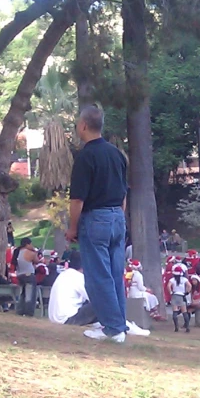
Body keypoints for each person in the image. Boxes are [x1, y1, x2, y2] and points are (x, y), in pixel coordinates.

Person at [66, 106, 129, 343]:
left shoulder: (85, 156)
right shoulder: (117, 155)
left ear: (83, 125)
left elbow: (78, 198)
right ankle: (118, 324)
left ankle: (113, 328)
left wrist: (73, 228)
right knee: (114, 274)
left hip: (95, 218)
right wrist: (118, 217)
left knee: (98, 276)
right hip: (117, 217)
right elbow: (123, 193)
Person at [48, 251, 98, 326]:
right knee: (101, 302)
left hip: (55, 319)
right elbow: (93, 297)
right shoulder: (78, 277)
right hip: (67, 319)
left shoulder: (64, 274)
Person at [13, 237, 38, 317]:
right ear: (27, 244)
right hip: (29, 275)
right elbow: (37, 260)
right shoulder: (29, 253)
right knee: (29, 295)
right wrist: (34, 251)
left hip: (20, 274)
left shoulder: (17, 252)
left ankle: (20, 310)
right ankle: (28, 312)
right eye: (31, 244)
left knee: (22, 294)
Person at [168, 265, 192, 333]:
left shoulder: (172, 280)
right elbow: (189, 285)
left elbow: (168, 286)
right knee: (184, 312)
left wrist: (170, 292)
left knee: (175, 312)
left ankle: (176, 327)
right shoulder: (184, 279)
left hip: (175, 295)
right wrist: (187, 292)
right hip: (182, 296)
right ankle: (187, 327)